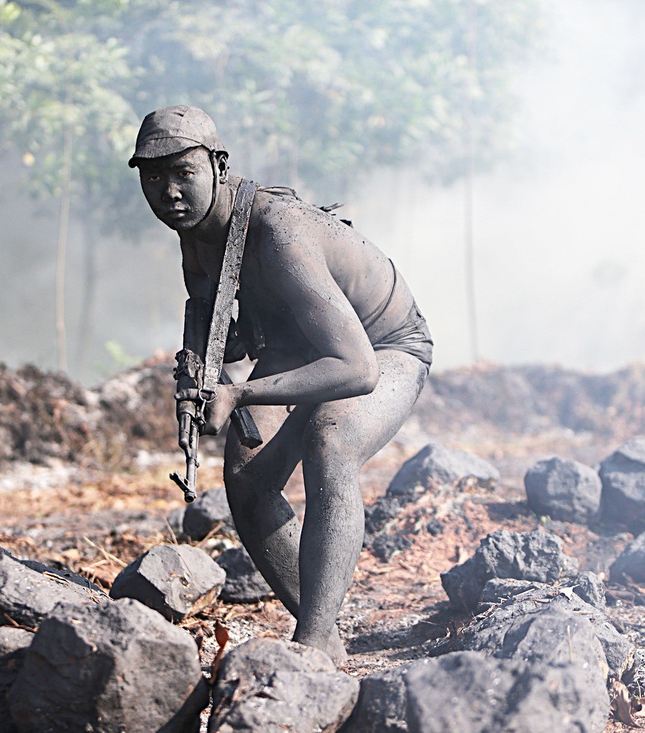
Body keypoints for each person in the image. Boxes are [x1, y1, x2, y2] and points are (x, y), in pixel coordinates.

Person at [129, 105, 433, 664]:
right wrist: (197, 374)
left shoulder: (279, 230)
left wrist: (239, 393)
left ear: (219, 166)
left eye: (183, 174)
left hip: (384, 348)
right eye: (153, 178)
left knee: (331, 438)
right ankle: (324, 630)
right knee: (246, 481)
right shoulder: (194, 231)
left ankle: (314, 640)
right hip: (297, 347)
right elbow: (205, 310)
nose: (168, 192)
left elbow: (357, 369)